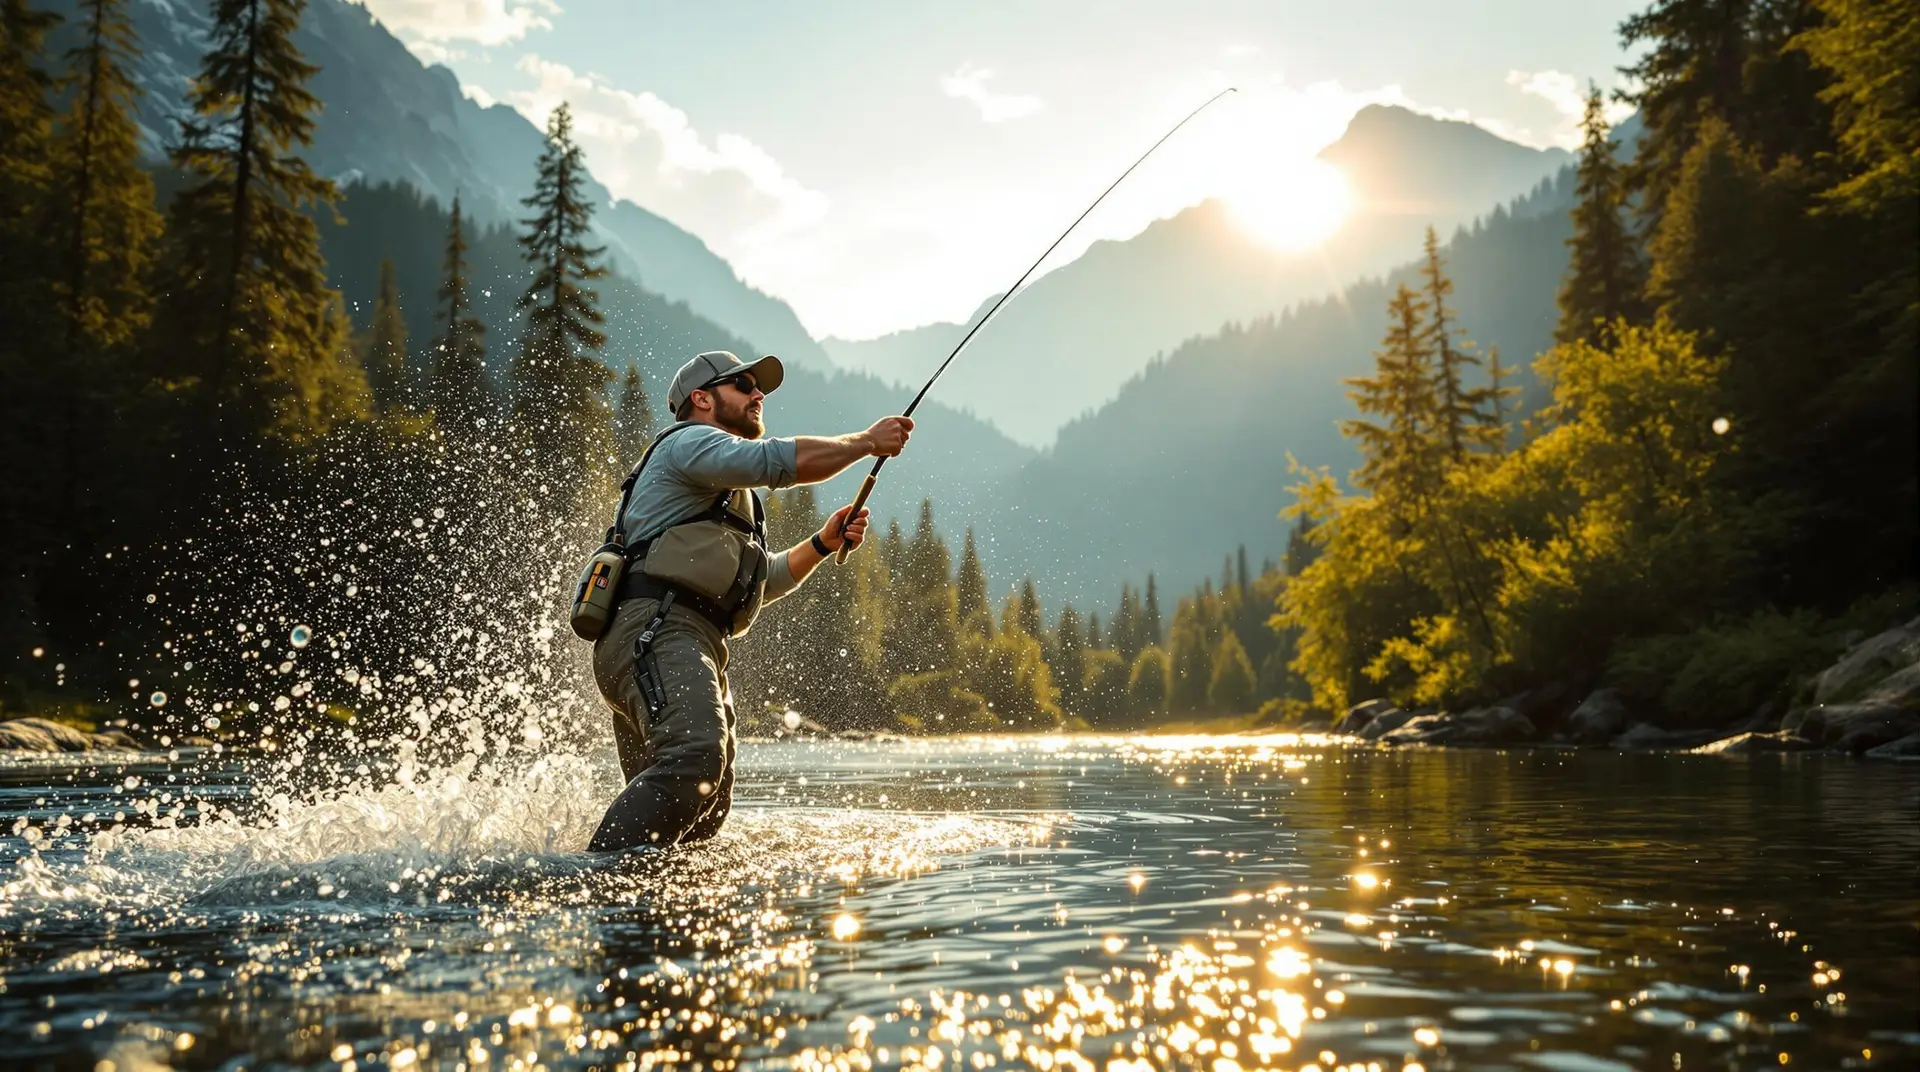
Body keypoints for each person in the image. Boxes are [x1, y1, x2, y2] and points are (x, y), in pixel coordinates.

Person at [586, 350, 912, 852]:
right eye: (743, 385)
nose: (759, 394)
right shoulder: (688, 443)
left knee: (705, 803)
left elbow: (764, 581)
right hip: (655, 633)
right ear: (702, 398)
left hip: (677, 642)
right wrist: (867, 442)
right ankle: (591, 885)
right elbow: (779, 461)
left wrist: (821, 545)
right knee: (694, 762)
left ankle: (642, 915)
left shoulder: (728, 494)